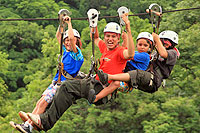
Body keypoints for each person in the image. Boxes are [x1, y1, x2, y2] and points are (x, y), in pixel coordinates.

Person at [24, 13, 135, 132]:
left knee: (66, 86)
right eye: (108, 36)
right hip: (92, 83)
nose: (110, 39)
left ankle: (43, 121)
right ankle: (40, 121)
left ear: (118, 39)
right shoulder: (105, 48)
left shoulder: (120, 52)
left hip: (101, 88)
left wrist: (128, 28)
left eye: (114, 37)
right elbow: (96, 38)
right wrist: (94, 22)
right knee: (66, 90)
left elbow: (130, 54)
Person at [9, 16, 84, 133]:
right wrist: (61, 24)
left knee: (44, 103)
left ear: (76, 41)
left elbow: (71, 39)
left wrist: (69, 24)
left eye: (71, 40)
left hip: (63, 85)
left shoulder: (77, 54)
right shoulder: (66, 51)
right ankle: (27, 124)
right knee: (40, 101)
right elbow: (58, 36)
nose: (68, 42)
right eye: (67, 41)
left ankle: (29, 126)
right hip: (56, 83)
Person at [91, 30, 180, 94]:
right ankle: (101, 85)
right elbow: (126, 54)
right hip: (144, 78)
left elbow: (163, 53)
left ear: (172, 44)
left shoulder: (173, 53)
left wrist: (156, 39)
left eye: (165, 44)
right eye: (161, 43)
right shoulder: (153, 53)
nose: (162, 46)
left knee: (136, 74)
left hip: (153, 80)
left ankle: (108, 77)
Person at [88, 31, 154, 104]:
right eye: (140, 44)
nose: (142, 47)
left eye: (145, 45)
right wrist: (125, 40)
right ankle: (105, 89)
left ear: (149, 48)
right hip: (123, 76)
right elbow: (124, 51)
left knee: (116, 83)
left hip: (130, 82)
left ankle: (97, 97)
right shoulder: (136, 53)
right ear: (136, 45)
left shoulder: (145, 56)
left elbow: (129, 54)